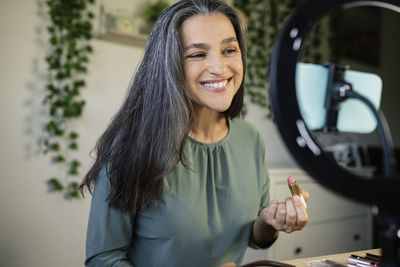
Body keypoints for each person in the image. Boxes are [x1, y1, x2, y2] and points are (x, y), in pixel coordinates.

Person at [79, 0, 309, 266]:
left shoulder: (250, 139)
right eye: (198, 54)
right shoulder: (130, 146)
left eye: (229, 50)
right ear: (169, 64)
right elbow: (103, 259)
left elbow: (251, 236)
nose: (220, 68)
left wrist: (270, 221)